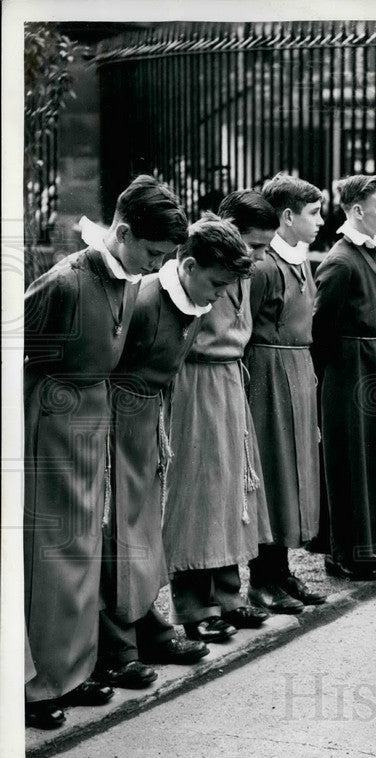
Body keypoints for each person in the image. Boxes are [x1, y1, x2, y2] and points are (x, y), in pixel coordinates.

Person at [24, 176, 187, 728]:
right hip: (53, 419)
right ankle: (40, 684)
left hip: (92, 416)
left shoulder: (121, 276)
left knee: (86, 546)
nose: (154, 265)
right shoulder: (65, 283)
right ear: (121, 232)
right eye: (152, 252)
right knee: (54, 553)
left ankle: (75, 669)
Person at [97, 215, 254, 690]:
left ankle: (146, 626)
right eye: (216, 282)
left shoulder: (193, 301)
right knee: (117, 535)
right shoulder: (143, 299)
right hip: (116, 424)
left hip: (149, 422)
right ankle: (115, 647)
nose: (222, 295)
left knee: (144, 532)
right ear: (185, 266)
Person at [162, 193, 275, 645]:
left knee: (233, 487)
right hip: (195, 382)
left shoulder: (242, 266)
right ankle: (193, 604)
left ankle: (228, 594)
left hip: (230, 379)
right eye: (254, 245)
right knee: (197, 491)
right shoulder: (197, 261)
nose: (260, 256)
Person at [313, 174, 376, 580]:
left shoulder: (369, 253)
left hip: (374, 363)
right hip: (351, 371)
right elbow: (322, 330)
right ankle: (343, 554)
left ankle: (363, 548)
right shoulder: (341, 260)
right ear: (356, 211)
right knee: (349, 462)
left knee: (371, 459)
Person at [243, 174, 327, 613]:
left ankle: (283, 572)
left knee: (294, 473)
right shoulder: (263, 266)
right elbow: (243, 327)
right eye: (313, 213)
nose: (321, 221)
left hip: (297, 368)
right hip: (269, 372)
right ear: (288, 217)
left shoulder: (299, 260)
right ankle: (262, 579)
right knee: (273, 473)